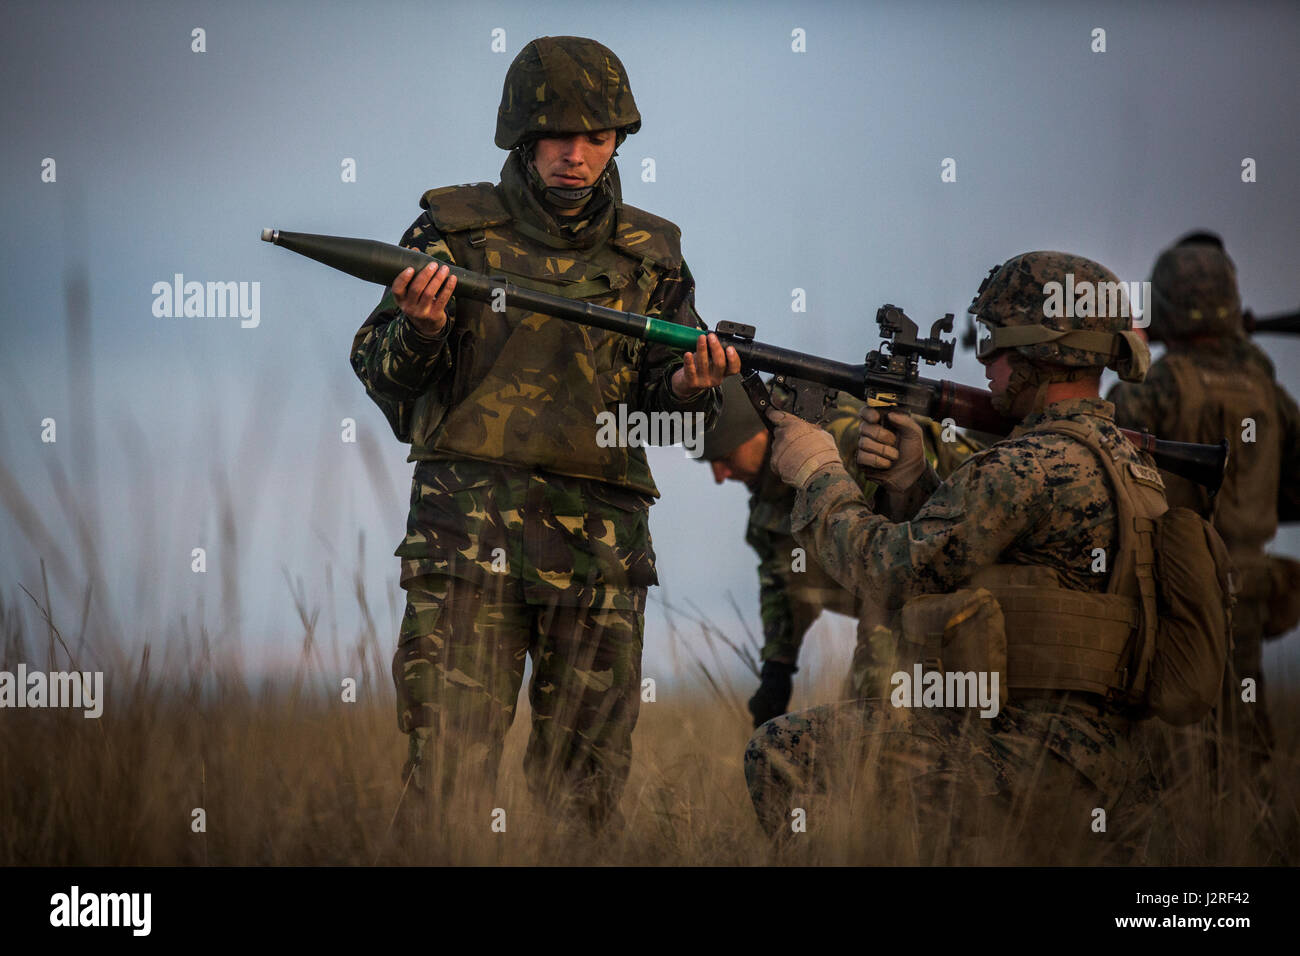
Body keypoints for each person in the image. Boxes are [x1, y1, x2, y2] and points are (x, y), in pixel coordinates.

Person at [350, 35, 737, 830]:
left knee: (585, 800)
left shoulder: (652, 256)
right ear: (523, 139)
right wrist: (420, 331)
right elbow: (381, 372)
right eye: (559, 136)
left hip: (599, 556)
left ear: (619, 140)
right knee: (445, 793)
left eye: (596, 138)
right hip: (464, 548)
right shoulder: (450, 233)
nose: (577, 155)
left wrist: (692, 389)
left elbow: (660, 414)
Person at [744, 252, 1201, 863]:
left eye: (994, 341)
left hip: (1023, 761)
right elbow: (1003, 567)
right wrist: (914, 483)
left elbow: (888, 571)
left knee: (779, 749)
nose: (983, 359)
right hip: (1108, 767)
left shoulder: (1025, 464)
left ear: (1044, 349)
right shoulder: (1129, 463)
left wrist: (818, 473)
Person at [1108, 232, 1300, 783]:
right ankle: (1242, 826)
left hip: (1179, 575)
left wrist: (1133, 349)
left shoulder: (1163, 381)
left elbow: (1108, 448)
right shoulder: (1265, 386)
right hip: (1253, 576)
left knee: (1174, 723)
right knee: (1244, 720)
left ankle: (1193, 822)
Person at [700, 376, 980, 725]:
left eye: (723, 457)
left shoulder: (849, 443)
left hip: (960, 576)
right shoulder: (769, 489)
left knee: (873, 720)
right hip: (899, 581)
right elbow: (783, 576)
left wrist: (875, 677)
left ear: (756, 431)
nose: (719, 475)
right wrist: (778, 666)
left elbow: (896, 563)